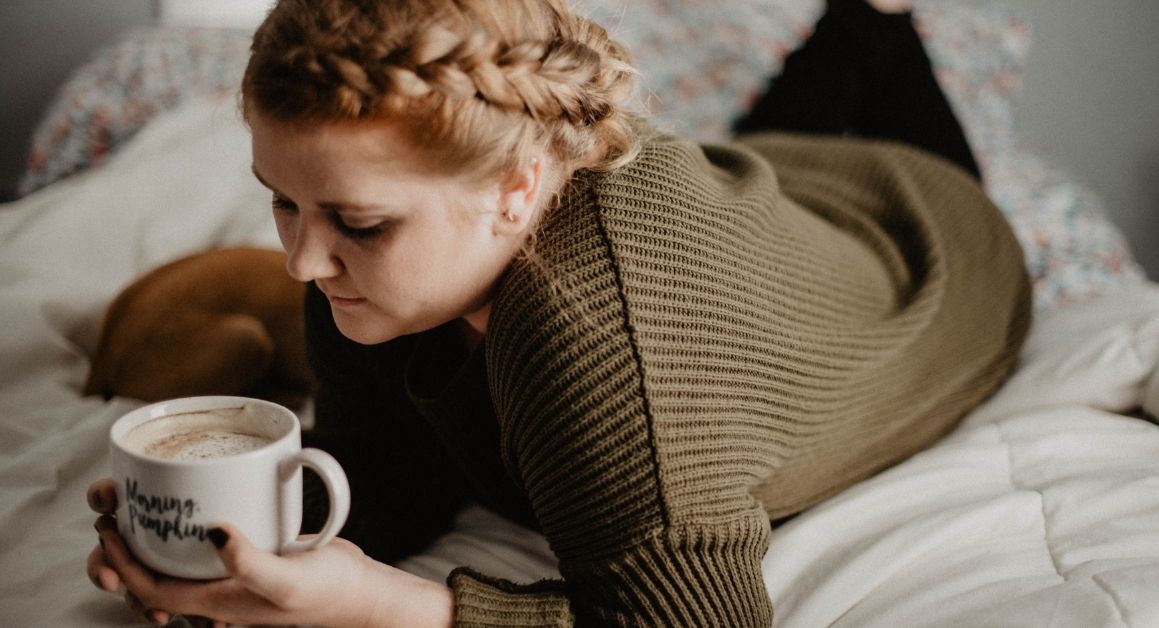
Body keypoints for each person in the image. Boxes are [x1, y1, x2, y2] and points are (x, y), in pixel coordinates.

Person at [85, 0, 1032, 625]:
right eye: (283, 201)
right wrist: (227, 553)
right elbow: (386, 480)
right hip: (761, 195)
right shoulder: (364, 278)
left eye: (360, 223)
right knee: (765, 137)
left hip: (927, 241)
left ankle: (874, 21)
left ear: (516, 184)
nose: (301, 258)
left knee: (873, 75)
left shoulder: (597, 337)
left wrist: (385, 606)